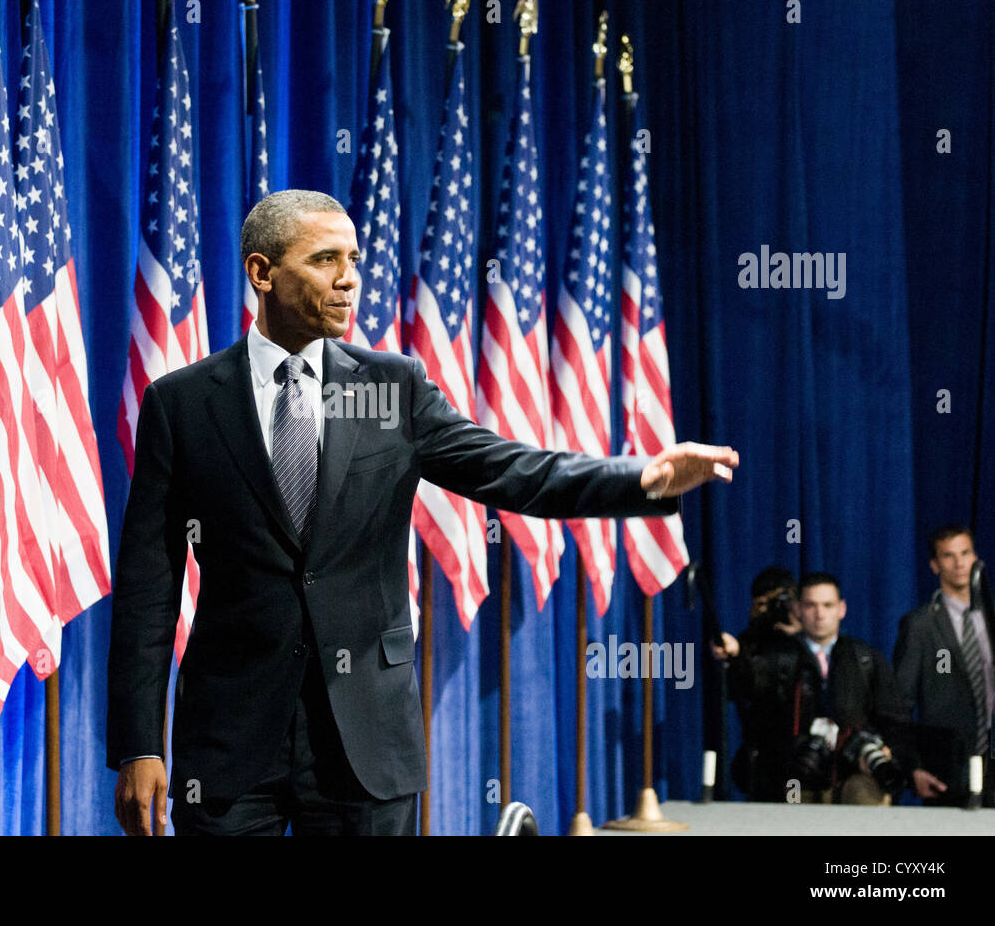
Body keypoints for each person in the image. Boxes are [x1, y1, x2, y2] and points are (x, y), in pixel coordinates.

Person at [106, 189, 739, 836]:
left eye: (353, 258)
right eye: (325, 259)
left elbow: (513, 471)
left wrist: (642, 475)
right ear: (262, 272)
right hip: (229, 741)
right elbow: (146, 591)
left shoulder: (393, 387)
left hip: (366, 743)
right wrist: (139, 745)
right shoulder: (181, 405)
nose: (349, 278)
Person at [727, 571, 912, 804]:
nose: (820, 614)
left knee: (866, 801)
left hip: (854, 775)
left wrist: (886, 749)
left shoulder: (864, 658)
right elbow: (744, 689)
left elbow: (894, 717)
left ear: (841, 609)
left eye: (827, 605)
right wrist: (736, 654)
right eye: (810, 605)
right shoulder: (776, 656)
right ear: (797, 610)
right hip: (793, 778)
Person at [893, 525, 994, 806]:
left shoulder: (991, 619)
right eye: (949, 556)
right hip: (948, 768)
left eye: (966, 553)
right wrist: (912, 767)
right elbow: (899, 704)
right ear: (935, 565)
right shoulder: (920, 626)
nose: (960, 563)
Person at [716, 566, 801, 795]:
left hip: (808, 758)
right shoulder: (750, 642)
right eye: (762, 604)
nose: (772, 611)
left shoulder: (812, 642)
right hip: (764, 756)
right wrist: (736, 654)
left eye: (777, 603)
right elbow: (747, 688)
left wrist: (799, 635)